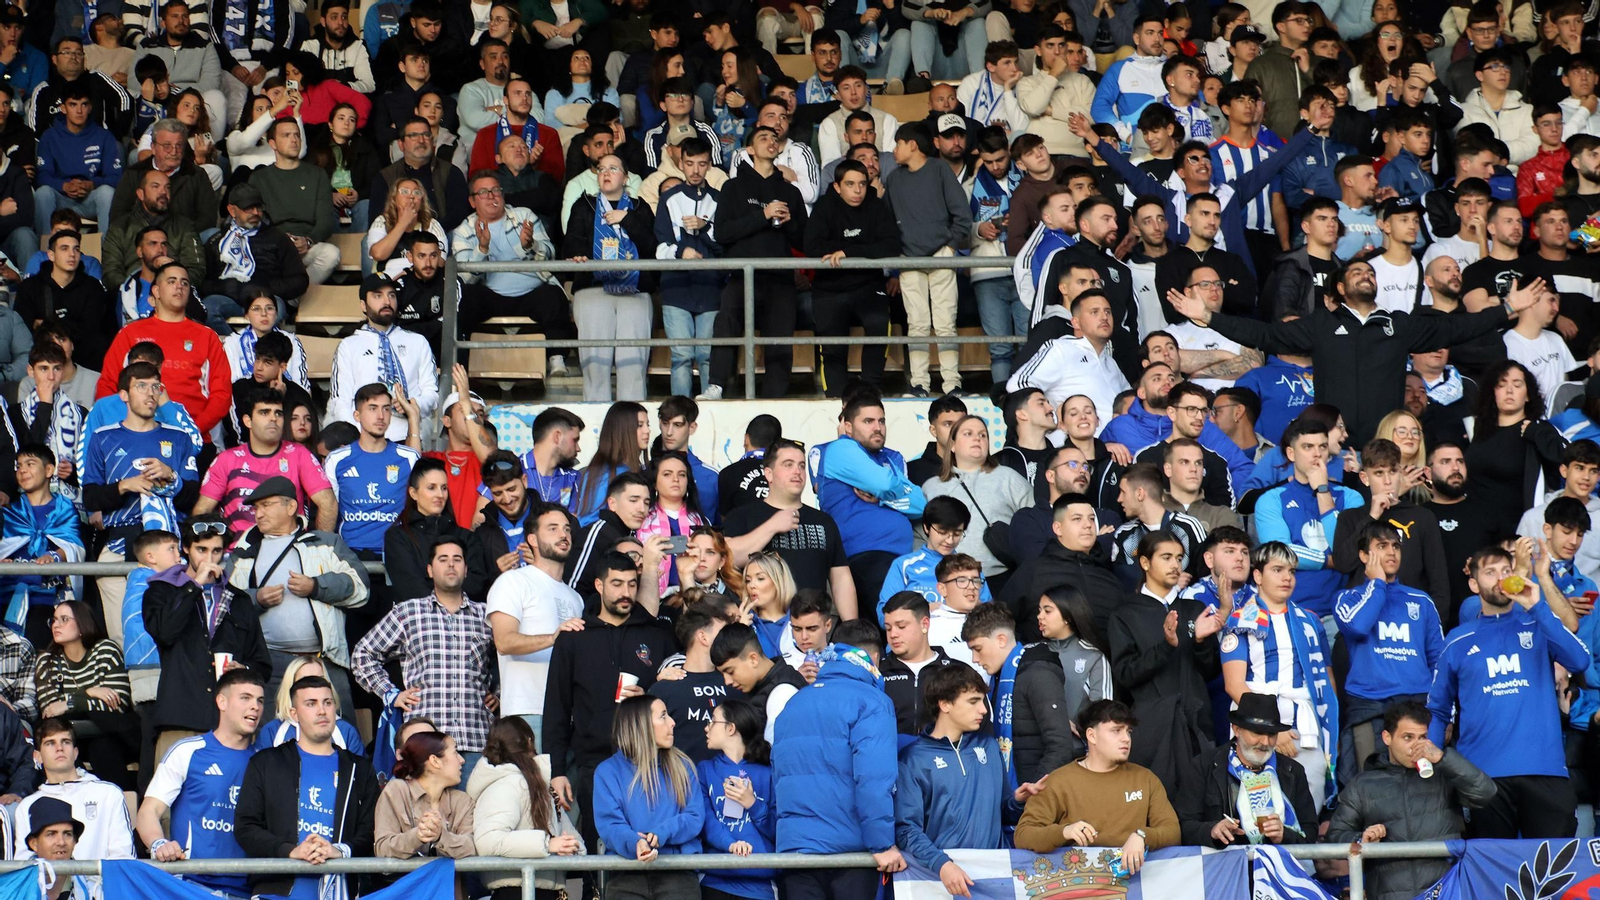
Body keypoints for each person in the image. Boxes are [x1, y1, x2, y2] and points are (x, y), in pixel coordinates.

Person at [1427, 545, 1587, 838]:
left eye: (1506, 571)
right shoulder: (1457, 640)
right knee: (1493, 878)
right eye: (1490, 572)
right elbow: (1438, 711)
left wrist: (1537, 606)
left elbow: (1580, 661)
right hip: (1482, 777)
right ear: (1474, 584)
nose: (1500, 578)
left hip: (1546, 771)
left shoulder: (1539, 624)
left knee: (1552, 874)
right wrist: (1429, 771)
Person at [543, 551, 675, 872]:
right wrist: (557, 771)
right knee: (598, 855)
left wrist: (650, 693)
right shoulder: (574, 639)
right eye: (617, 584)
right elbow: (556, 707)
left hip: (649, 762)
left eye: (632, 584)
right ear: (600, 586)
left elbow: (676, 692)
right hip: (593, 762)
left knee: (652, 849)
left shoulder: (656, 634)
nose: (626, 592)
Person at [772, 619, 906, 897]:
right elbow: (874, 779)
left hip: (796, 851)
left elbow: (779, 779)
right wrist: (881, 844)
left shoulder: (795, 701)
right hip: (849, 853)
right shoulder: (872, 701)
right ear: (875, 659)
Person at [223, 476, 370, 714]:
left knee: (337, 737)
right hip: (267, 664)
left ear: (291, 507)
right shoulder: (244, 552)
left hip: (324, 661)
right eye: (256, 508)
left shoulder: (326, 543)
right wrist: (256, 598)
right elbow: (225, 605)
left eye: (266, 505)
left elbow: (360, 588)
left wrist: (315, 586)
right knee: (271, 740)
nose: (258, 514)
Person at [1326, 700, 1495, 899]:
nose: (1416, 746)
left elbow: (1486, 792)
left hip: (1445, 892)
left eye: (1422, 737)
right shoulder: (1363, 784)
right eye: (1408, 737)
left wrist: (1443, 759)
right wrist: (1362, 839)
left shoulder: (1442, 774)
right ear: (1387, 737)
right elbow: (1335, 836)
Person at [352, 537, 496, 772]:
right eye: (443, 559)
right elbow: (362, 654)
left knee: (474, 810)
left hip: (476, 742)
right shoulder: (408, 613)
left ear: (466, 569)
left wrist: (499, 693)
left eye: (457, 559)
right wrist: (391, 694)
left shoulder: (487, 616)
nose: (451, 565)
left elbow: (508, 658)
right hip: (425, 745)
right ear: (430, 570)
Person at [81, 360, 200, 640]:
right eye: (141, 386)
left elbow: (192, 498)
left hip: (170, 541)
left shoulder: (179, 438)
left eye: (155, 387)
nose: (150, 393)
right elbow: (90, 497)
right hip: (120, 540)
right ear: (124, 394)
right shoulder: (103, 438)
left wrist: (172, 477)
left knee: (171, 629)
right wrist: (124, 486)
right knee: (126, 635)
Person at [234, 675, 380, 900]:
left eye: (327, 703)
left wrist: (339, 850)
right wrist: (290, 850)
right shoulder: (266, 762)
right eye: (311, 704)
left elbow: (371, 831)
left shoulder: (359, 769)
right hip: (276, 892)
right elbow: (246, 827)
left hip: (340, 892)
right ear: (294, 714)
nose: (322, 710)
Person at [1222, 542, 1341, 813]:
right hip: (1254, 726)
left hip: (1306, 727)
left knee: (1308, 806)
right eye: (1277, 570)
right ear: (1258, 576)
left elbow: (1327, 681)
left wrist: (1330, 730)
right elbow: (1234, 684)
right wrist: (1271, 727)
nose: (1287, 577)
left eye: (1291, 571)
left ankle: (1305, 858)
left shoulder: (1311, 621)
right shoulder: (1241, 620)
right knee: (1257, 810)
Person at [142, 516, 272, 761]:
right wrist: (194, 585)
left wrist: (243, 669)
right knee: (171, 797)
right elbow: (164, 632)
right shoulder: (160, 591)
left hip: (230, 720)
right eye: (201, 550)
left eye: (217, 551)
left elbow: (262, 665)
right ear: (186, 549)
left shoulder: (239, 600)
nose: (210, 559)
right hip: (180, 716)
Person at [134, 669, 264, 897]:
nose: (255, 706)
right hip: (191, 887)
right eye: (245, 698)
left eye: (260, 700)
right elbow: (148, 812)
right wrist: (158, 844)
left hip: (247, 890)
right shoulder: (187, 751)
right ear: (221, 702)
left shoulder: (264, 761)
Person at [896, 663, 1022, 898]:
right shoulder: (913, 759)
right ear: (944, 704)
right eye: (973, 701)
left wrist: (1019, 801)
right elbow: (906, 829)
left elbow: (1004, 814)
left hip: (995, 879)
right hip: (940, 880)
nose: (984, 710)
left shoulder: (989, 746)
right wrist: (942, 864)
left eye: (983, 700)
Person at [1335, 518, 1447, 779]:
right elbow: (1359, 627)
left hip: (1417, 705)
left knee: (1424, 786)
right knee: (1369, 786)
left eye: (1395, 546)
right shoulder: (1348, 598)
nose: (1391, 552)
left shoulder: (1421, 600)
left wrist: (1444, 713)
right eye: (1382, 546)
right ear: (1363, 555)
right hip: (1369, 706)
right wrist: (1377, 585)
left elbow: (1439, 661)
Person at [1013, 699, 1178, 871]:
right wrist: (1064, 831)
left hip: (1134, 887)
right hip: (1076, 886)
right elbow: (1023, 835)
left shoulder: (1146, 779)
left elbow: (1172, 830)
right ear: (1091, 735)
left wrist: (1142, 835)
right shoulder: (1058, 781)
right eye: (1116, 731)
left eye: (1128, 731)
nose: (1126, 739)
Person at [450, 171, 574, 379]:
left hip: (532, 292)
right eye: (483, 192)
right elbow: (465, 277)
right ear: (472, 201)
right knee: (464, 297)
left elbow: (551, 254)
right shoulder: (464, 230)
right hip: (491, 296)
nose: (491, 196)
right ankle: (462, 365)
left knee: (553, 296)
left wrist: (531, 244)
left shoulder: (523, 216)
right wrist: (481, 248)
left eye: (496, 190)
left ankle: (557, 359)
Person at [885, 121, 972, 397]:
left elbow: (962, 214)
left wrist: (949, 245)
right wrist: (898, 255)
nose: (894, 149)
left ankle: (951, 383)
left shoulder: (938, 170)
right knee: (918, 323)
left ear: (912, 145)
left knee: (946, 321)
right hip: (909, 259)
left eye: (898, 143)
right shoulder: (894, 179)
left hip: (941, 256)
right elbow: (888, 220)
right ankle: (919, 382)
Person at [722, 439, 856, 610]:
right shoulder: (741, 516)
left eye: (801, 466)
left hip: (813, 626)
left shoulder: (824, 521)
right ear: (769, 474)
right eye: (788, 465)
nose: (797, 471)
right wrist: (772, 526)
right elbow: (728, 560)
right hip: (760, 626)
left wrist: (851, 628)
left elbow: (841, 580)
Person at [591, 695, 704, 898]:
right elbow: (610, 825)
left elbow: (695, 816)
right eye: (663, 716)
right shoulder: (608, 771)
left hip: (678, 874)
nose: (672, 722)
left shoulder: (682, 766)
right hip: (626, 875)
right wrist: (635, 843)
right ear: (641, 726)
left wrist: (663, 833)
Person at [804, 160, 901, 396]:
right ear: (837, 186)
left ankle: (870, 392)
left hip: (868, 286)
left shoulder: (876, 207)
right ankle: (836, 399)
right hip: (829, 289)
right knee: (832, 347)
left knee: (879, 327)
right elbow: (812, 246)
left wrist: (848, 252)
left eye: (862, 184)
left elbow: (891, 245)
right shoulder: (824, 207)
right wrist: (863, 246)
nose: (857, 190)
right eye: (850, 184)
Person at [1177, 691, 1318, 847]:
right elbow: (1183, 826)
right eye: (1257, 733)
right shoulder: (1204, 766)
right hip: (1224, 868)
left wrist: (1284, 835)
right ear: (1237, 730)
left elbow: (1310, 832)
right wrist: (1212, 831)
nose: (1265, 742)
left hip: (1278, 868)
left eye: (1271, 734)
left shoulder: (1293, 771)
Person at [465, 716, 585, 900]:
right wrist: (547, 844)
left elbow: (570, 838)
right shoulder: (506, 784)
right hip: (514, 891)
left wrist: (572, 847)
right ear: (529, 741)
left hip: (546, 890)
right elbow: (488, 840)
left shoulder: (538, 785)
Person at [34, 600, 138, 790]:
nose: (56, 625)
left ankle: (119, 805)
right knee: (61, 746)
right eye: (54, 620)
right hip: (69, 738)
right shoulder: (47, 661)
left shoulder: (106, 651)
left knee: (103, 747)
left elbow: (116, 705)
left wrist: (69, 703)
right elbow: (51, 714)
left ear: (82, 624)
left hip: (110, 735)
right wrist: (89, 692)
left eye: (64, 619)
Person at [327, 274, 440, 442]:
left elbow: (432, 393)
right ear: (363, 305)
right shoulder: (349, 345)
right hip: (364, 438)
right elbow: (340, 399)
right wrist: (355, 439)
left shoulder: (417, 341)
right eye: (378, 296)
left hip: (409, 434)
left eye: (391, 295)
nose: (387, 301)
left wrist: (411, 404)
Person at [12, 718, 135, 861]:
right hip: (52, 883)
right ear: (37, 756)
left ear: (76, 752)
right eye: (50, 743)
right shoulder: (27, 806)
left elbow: (123, 856)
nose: (60, 748)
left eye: (66, 742)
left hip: (102, 883)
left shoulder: (108, 794)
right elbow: (25, 864)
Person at [322, 382, 421, 557]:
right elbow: (329, 509)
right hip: (351, 556)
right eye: (373, 408)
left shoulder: (408, 458)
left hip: (396, 554)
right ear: (357, 415)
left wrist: (413, 418)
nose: (381, 416)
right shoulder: (337, 459)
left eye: (386, 409)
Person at [196, 183, 309, 334]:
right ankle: (236, 346)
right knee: (208, 309)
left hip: (267, 298)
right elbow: (202, 282)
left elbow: (300, 280)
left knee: (273, 313)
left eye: (259, 207)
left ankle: (257, 350)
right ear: (232, 210)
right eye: (248, 208)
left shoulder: (277, 237)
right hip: (228, 298)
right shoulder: (217, 240)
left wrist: (264, 289)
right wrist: (227, 288)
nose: (255, 212)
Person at [374, 729, 477, 879]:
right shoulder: (397, 790)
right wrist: (418, 836)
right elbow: (382, 848)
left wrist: (442, 836)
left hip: (448, 893)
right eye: (455, 752)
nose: (462, 760)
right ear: (435, 761)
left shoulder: (462, 801)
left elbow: (472, 846)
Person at [15, 230, 116, 376]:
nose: (72, 254)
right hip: (42, 358)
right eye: (64, 248)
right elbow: (24, 328)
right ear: (51, 255)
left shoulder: (92, 287)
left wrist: (46, 324)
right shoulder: (30, 287)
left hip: (85, 360)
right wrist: (70, 324)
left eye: (76, 249)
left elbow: (91, 328)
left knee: (98, 343)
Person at [32, 85, 120, 237]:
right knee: (43, 193)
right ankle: (47, 250)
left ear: (90, 107)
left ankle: (107, 253)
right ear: (63, 108)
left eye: (84, 104)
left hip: (90, 198)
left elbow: (116, 177)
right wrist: (63, 186)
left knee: (107, 192)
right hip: (62, 198)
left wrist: (92, 184)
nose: (79, 111)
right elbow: (42, 176)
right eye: (73, 104)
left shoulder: (103, 136)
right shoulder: (50, 136)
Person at [709, 623, 808, 742]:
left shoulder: (784, 692)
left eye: (730, 671)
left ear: (753, 659)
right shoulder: (757, 686)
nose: (727, 681)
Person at [253, 656, 366, 754]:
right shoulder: (272, 731)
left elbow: (360, 775)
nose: (315, 686)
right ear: (290, 687)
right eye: (306, 681)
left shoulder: (345, 731)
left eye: (319, 679)